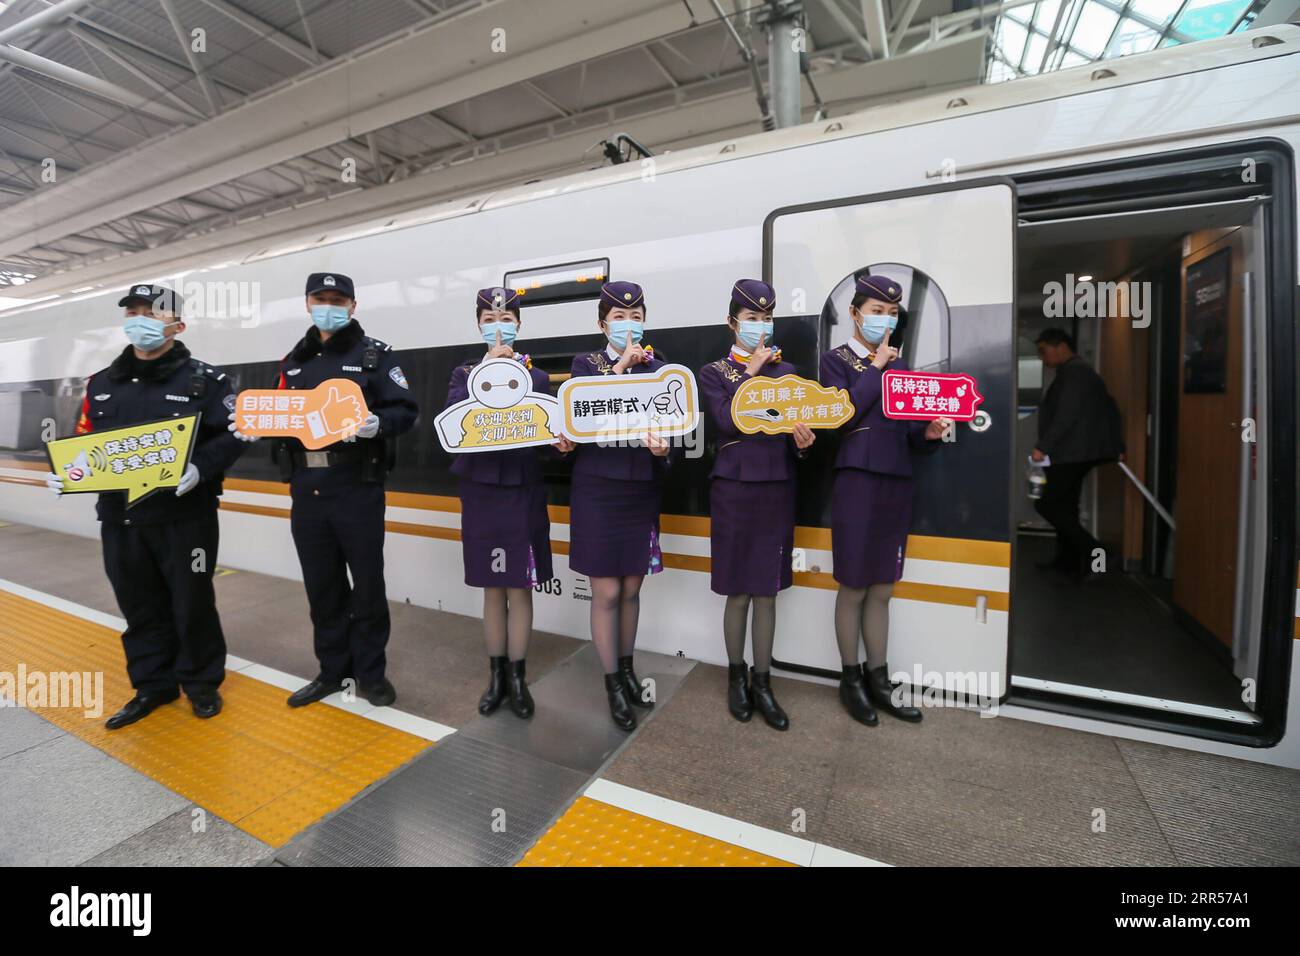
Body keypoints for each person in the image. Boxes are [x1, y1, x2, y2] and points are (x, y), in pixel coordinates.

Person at [45, 284, 247, 729]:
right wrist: (67, 473)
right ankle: (152, 685)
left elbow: (233, 434)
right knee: (138, 605)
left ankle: (201, 683)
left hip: (185, 518)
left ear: (177, 324)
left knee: (191, 601)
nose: (141, 320)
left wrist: (201, 467)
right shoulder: (100, 384)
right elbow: (85, 441)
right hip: (121, 518)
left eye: (152, 313)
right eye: (133, 312)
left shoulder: (206, 381)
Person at [231, 272, 418, 708]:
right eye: (320, 298)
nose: (328, 305)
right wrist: (253, 427)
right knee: (322, 586)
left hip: (357, 486)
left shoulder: (375, 357)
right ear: (307, 303)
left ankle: (371, 675)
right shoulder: (293, 362)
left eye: (338, 299)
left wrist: (378, 424)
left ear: (353, 306)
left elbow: (405, 411)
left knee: (368, 585)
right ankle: (332, 671)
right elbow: (280, 415)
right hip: (307, 489)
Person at [820, 274, 951, 726]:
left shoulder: (903, 368)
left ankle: (880, 678)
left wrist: (929, 433)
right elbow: (840, 414)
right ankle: (850, 678)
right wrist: (875, 367)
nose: (885, 319)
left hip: (896, 481)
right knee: (854, 584)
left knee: (882, 587)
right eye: (877, 310)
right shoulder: (834, 361)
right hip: (857, 480)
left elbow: (911, 429)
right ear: (856, 314)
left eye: (892, 312)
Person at [445, 287, 574, 719]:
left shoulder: (535, 378)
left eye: (506, 319)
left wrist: (561, 444)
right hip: (481, 490)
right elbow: (450, 429)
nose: (498, 326)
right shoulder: (463, 374)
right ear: (478, 324)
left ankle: (518, 677)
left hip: (522, 489)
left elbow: (547, 438)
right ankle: (495, 675)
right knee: (491, 586)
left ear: (518, 326)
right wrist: (484, 371)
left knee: (520, 584)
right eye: (489, 318)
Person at [698, 279, 813, 731]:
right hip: (733, 490)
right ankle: (736, 677)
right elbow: (727, 420)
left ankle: (764, 682)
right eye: (751, 319)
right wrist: (752, 370)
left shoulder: (790, 375)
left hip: (777, 486)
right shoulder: (715, 373)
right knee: (739, 589)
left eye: (766, 319)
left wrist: (804, 445)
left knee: (767, 588)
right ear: (733, 323)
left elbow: (799, 436)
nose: (759, 327)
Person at [568, 280, 672, 731]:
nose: (628, 325)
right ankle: (611, 682)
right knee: (606, 591)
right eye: (618, 317)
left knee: (631, 588)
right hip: (597, 490)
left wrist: (664, 451)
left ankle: (628, 672)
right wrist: (621, 370)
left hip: (640, 489)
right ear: (601, 324)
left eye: (635, 316)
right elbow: (577, 417)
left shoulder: (661, 367)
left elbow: (676, 424)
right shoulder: (585, 364)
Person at [1031, 328, 1125, 580]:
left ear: (1060, 346)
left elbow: (1066, 415)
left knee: (1046, 504)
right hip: (1075, 451)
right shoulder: (1077, 372)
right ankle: (1068, 561)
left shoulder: (1075, 374)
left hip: (1072, 452)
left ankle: (1100, 554)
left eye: (1043, 351)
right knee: (1066, 507)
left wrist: (1044, 446)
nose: (1042, 358)